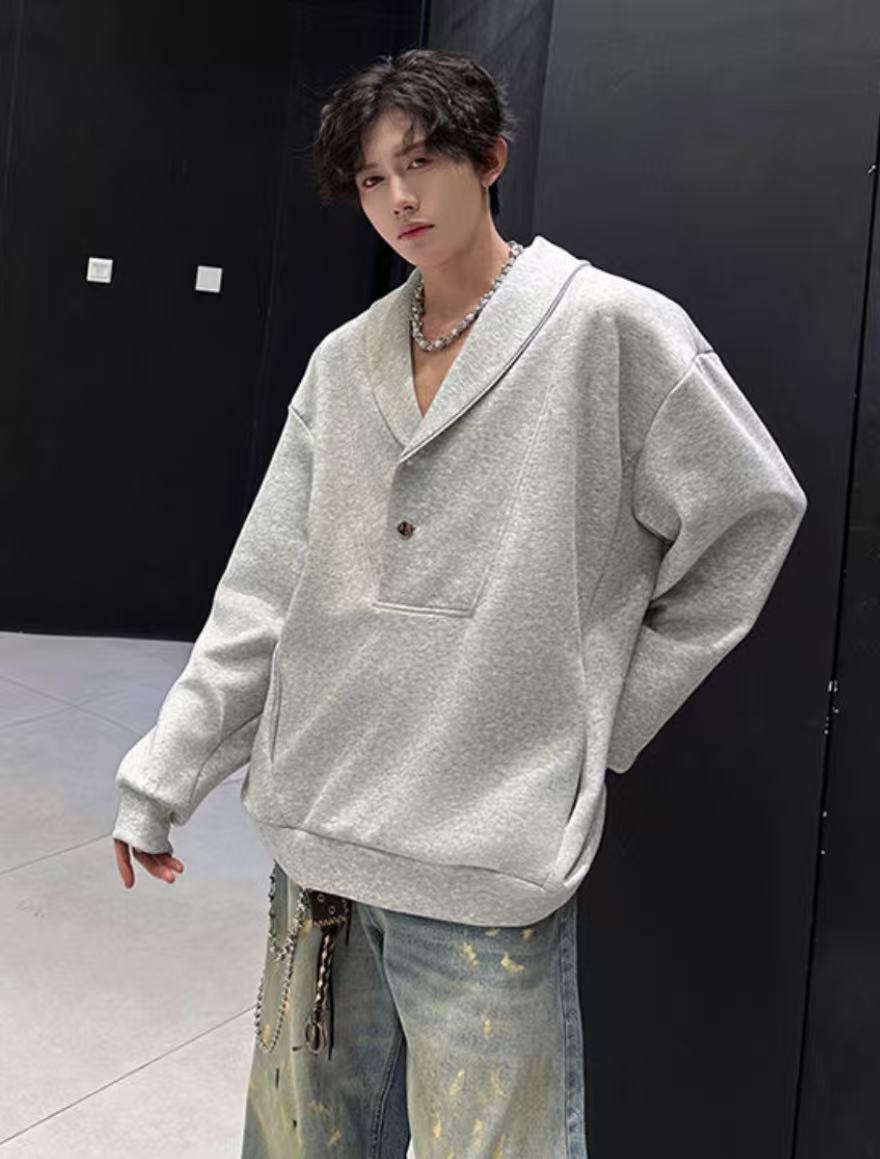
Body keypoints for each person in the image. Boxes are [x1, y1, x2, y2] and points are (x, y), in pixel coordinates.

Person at [111, 47, 808, 1159]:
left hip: (488, 853)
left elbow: (750, 513)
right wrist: (164, 774)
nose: (398, 196)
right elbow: (264, 590)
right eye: (371, 177)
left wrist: (603, 714)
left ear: (489, 158)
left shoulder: (609, 331)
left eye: (421, 161)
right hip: (322, 835)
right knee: (302, 1144)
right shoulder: (345, 362)